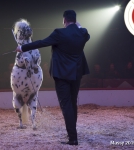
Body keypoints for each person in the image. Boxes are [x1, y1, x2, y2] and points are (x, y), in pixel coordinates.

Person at [16, 10, 90, 145]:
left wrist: (22, 48)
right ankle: (73, 133)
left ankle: (73, 138)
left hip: (62, 74)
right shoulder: (83, 33)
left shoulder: (59, 33)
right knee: (73, 103)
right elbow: (81, 29)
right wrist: (77, 25)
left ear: (64, 20)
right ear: (75, 20)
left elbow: (41, 43)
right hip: (76, 73)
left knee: (66, 105)